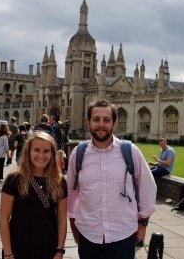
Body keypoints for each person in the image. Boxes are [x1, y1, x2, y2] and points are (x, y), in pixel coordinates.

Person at [67, 99, 157, 259]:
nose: (101, 124)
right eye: (96, 119)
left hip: (122, 234)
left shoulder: (130, 151)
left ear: (114, 123)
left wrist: (142, 224)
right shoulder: (78, 154)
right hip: (88, 235)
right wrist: (74, 229)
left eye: (106, 120)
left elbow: (147, 188)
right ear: (88, 122)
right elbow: (71, 195)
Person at [0, 131, 67, 259]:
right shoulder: (14, 179)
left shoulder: (59, 181)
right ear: (28, 152)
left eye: (46, 151)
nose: (41, 155)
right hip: (18, 247)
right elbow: (4, 219)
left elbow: (62, 219)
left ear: (52, 154)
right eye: (36, 150)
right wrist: (8, 253)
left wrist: (60, 250)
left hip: (48, 248)